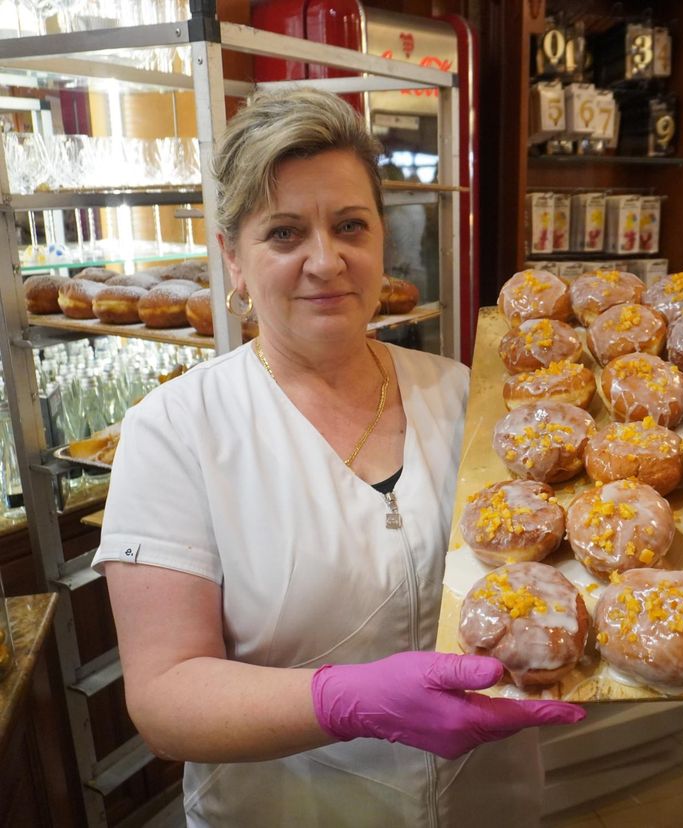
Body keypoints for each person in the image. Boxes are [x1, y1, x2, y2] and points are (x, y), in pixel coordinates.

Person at [92, 87, 584, 827]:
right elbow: (164, 698)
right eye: (285, 234)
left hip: (489, 800)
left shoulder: (469, 400)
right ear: (232, 259)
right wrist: (342, 701)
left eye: (350, 226)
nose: (326, 260)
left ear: (381, 240)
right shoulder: (176, 431)